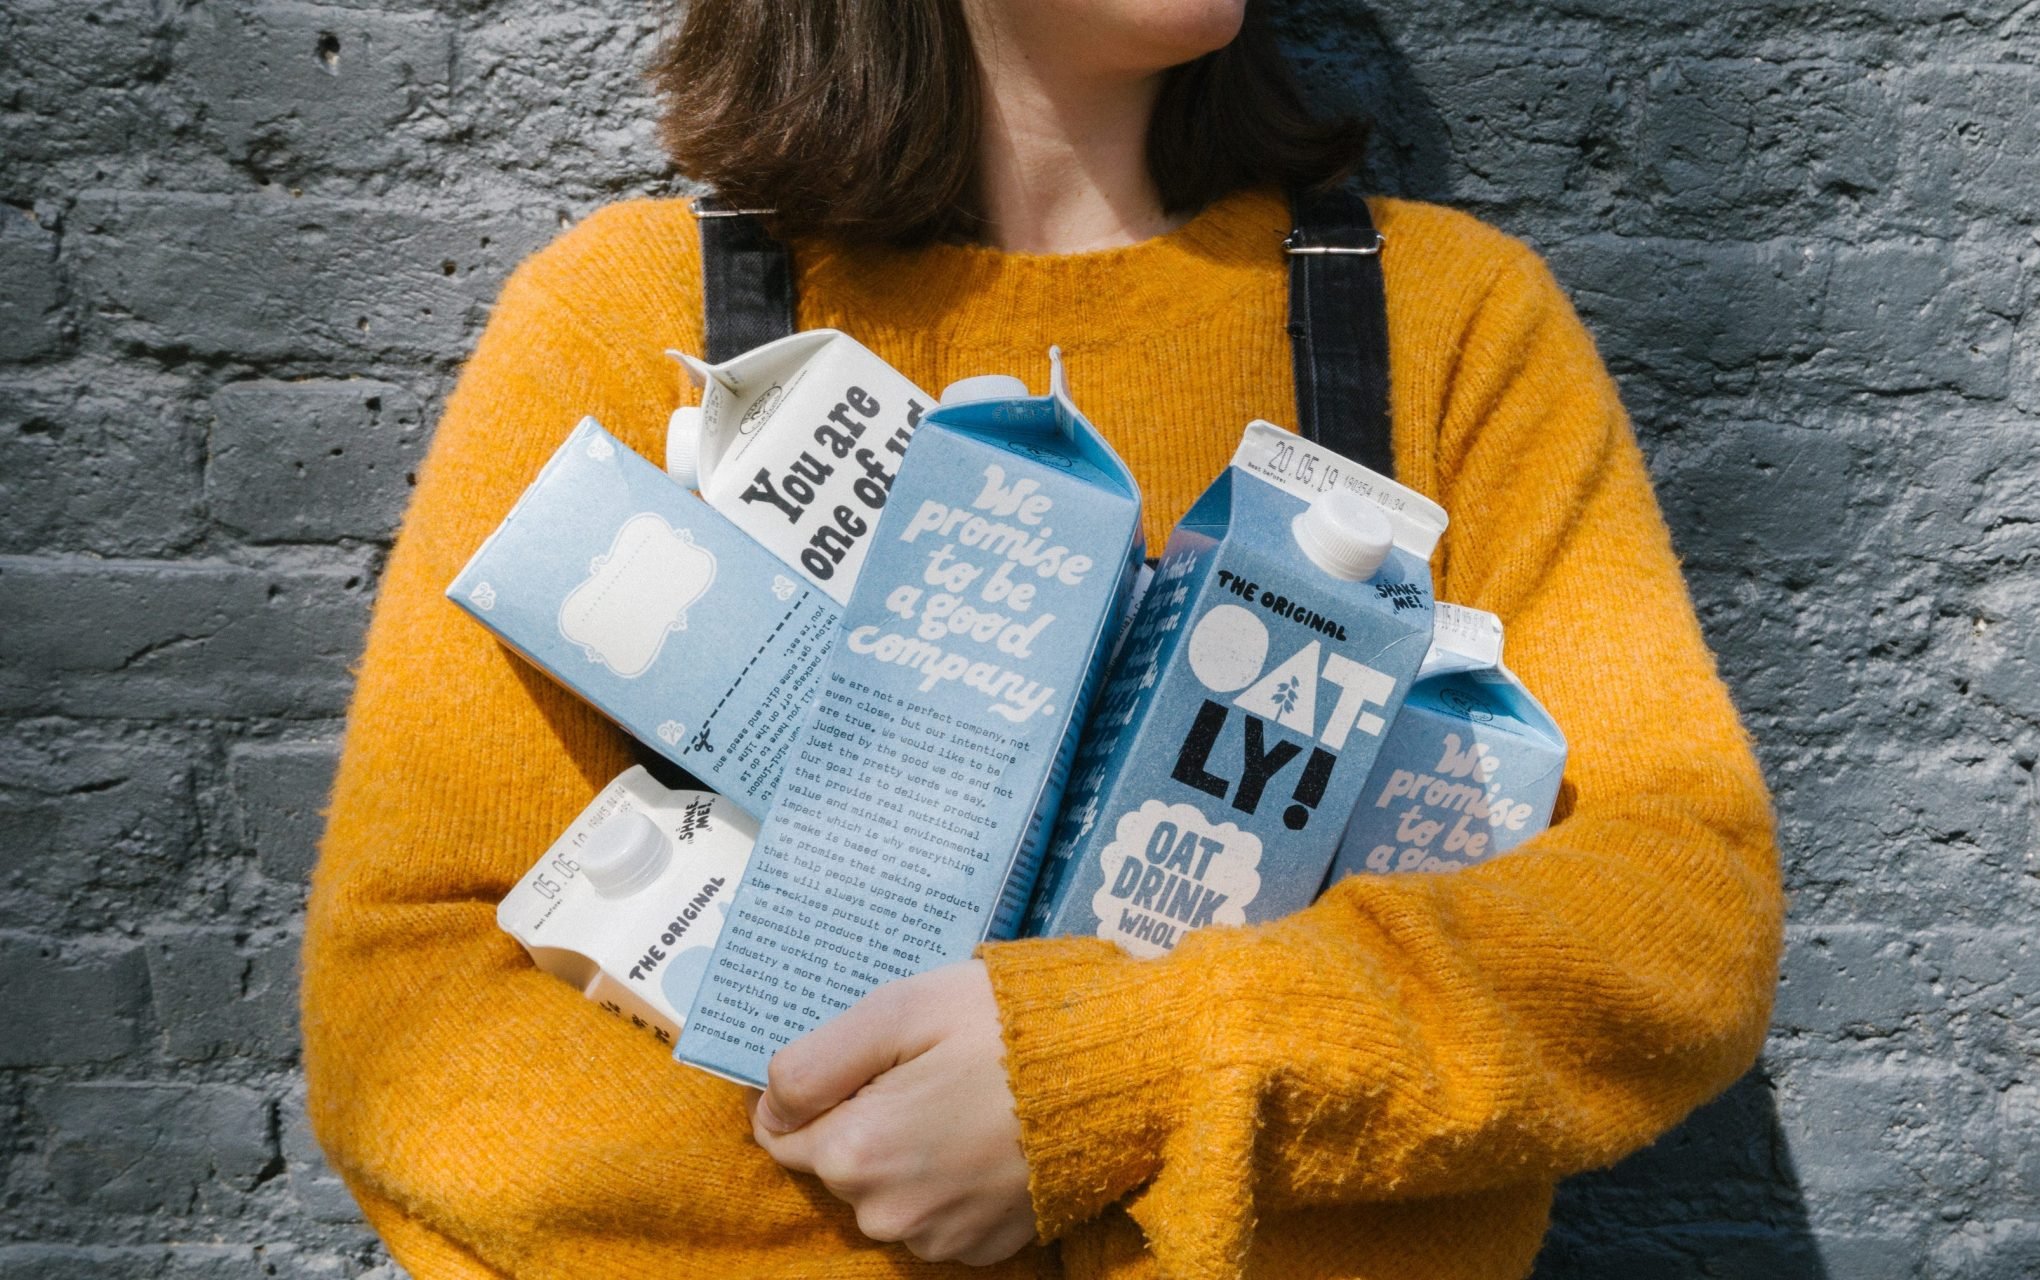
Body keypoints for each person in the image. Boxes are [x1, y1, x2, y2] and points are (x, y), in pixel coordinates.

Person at [300, 0, 1785, 1274]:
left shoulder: (1447, 324)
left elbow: (1675, 905)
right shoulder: (631, 328)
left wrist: (1121, 1078)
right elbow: (408, 1011)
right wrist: (916, 1186)